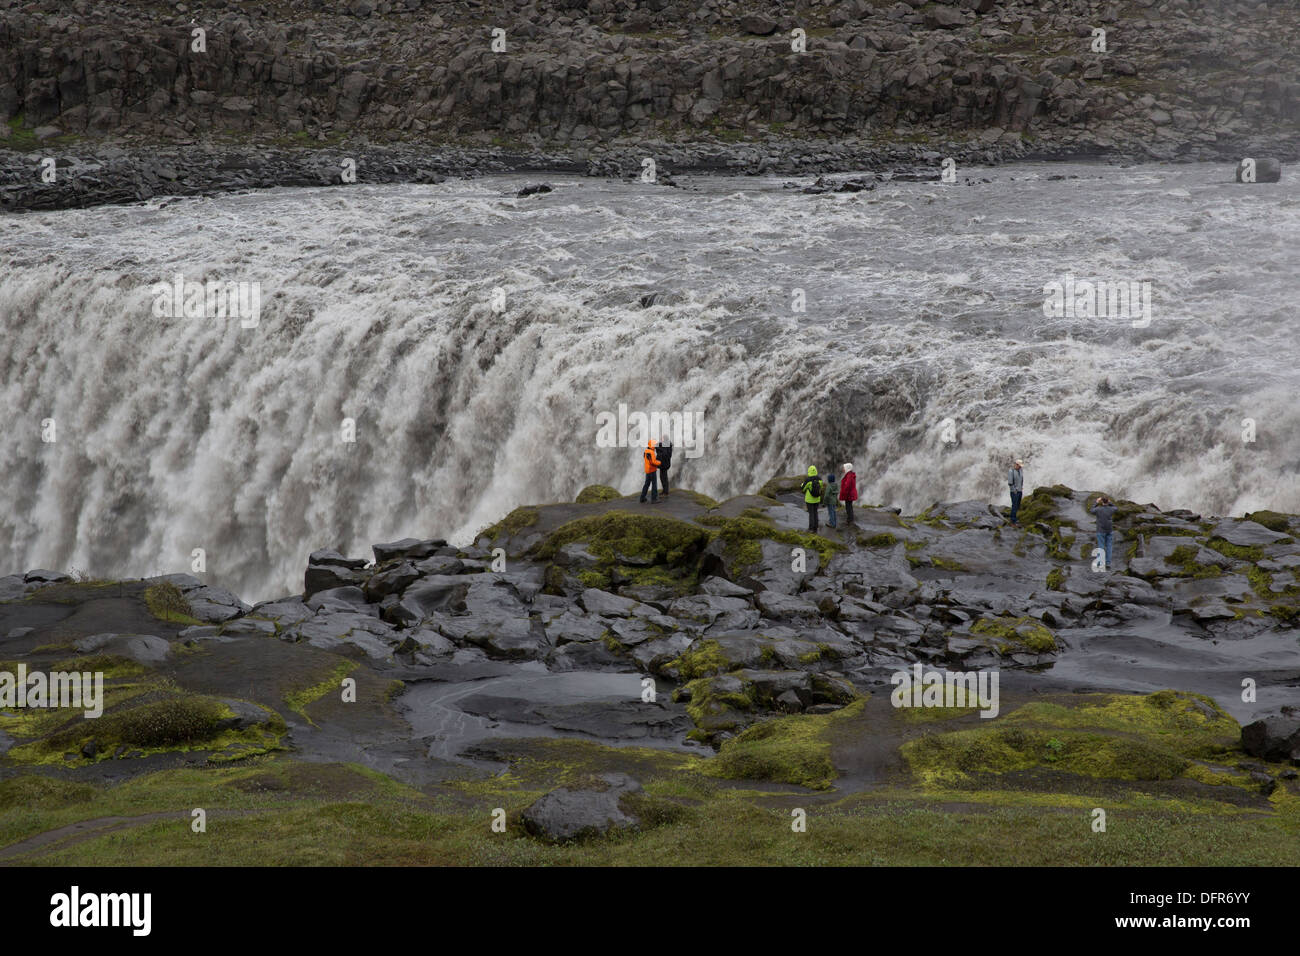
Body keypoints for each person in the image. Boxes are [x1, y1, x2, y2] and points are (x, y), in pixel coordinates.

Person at [1093, 495, 1118, 570]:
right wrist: (1110, 503)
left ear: (1102, 502)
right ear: (1108, 501)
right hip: (1109, 529)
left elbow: (1091, 510)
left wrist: (1096, 502)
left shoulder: (1098, 509)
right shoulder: (1111, 509)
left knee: (1101, 546)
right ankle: (1108, 563)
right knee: (1109, 546)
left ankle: (1100, 563)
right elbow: (1116, 508)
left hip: (1100, 530)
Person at [800, 465, 823, 532]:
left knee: (811, 513)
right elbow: (821, 487)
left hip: (809, 500)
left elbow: (803, 488)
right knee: (815, 512)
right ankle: (816, 527)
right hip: (817, 499)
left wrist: (802, 485)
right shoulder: (820, 479)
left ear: (809, 471)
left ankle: (811, 528)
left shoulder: (808, 480)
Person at [639, 437, 661, 504]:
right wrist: (660, 462)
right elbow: (653, 462)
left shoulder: (646, 451)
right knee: (654, 485)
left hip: (647, 470)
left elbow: (648, 460)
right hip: (652, 470)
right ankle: (654, 499)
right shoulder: (651, 452)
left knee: (646, 484)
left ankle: (642, 498)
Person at [656, 434, 673, 498]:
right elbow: (657, 445)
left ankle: (665, 492)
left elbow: (665, 454)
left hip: (664, 464)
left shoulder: (667, 446)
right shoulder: (666, 445)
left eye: (662, 438)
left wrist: (660, 451)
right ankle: (664, 491)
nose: (661, 439)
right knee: (663, 477)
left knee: (664, 478)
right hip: (664, 464)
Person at [1007, 458, 1024, 524]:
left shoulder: (1020, 470)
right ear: (1016, 465)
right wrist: (1014, 490)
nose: (1020, 467)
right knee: (1014, 505)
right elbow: (1010, 482)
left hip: (1020, 490)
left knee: (1017, 505)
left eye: (1020, 466)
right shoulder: (1011, 471)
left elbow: (1021, 479)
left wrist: (1021, 487)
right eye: (1019, 466)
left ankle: (1014, 517)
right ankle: (1013, 519)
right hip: (1014, 492)